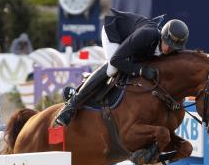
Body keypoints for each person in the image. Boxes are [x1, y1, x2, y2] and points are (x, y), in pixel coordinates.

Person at [55, 9, 189, 126]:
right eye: (168, 44)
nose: (169, 49)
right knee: (112, 69)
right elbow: (116, 60)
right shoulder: (147, 36)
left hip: (131, 41)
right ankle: (71, 106)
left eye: (174, 48)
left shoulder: (170, 49)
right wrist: (140, 70)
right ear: (163, 37)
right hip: (115, 31)